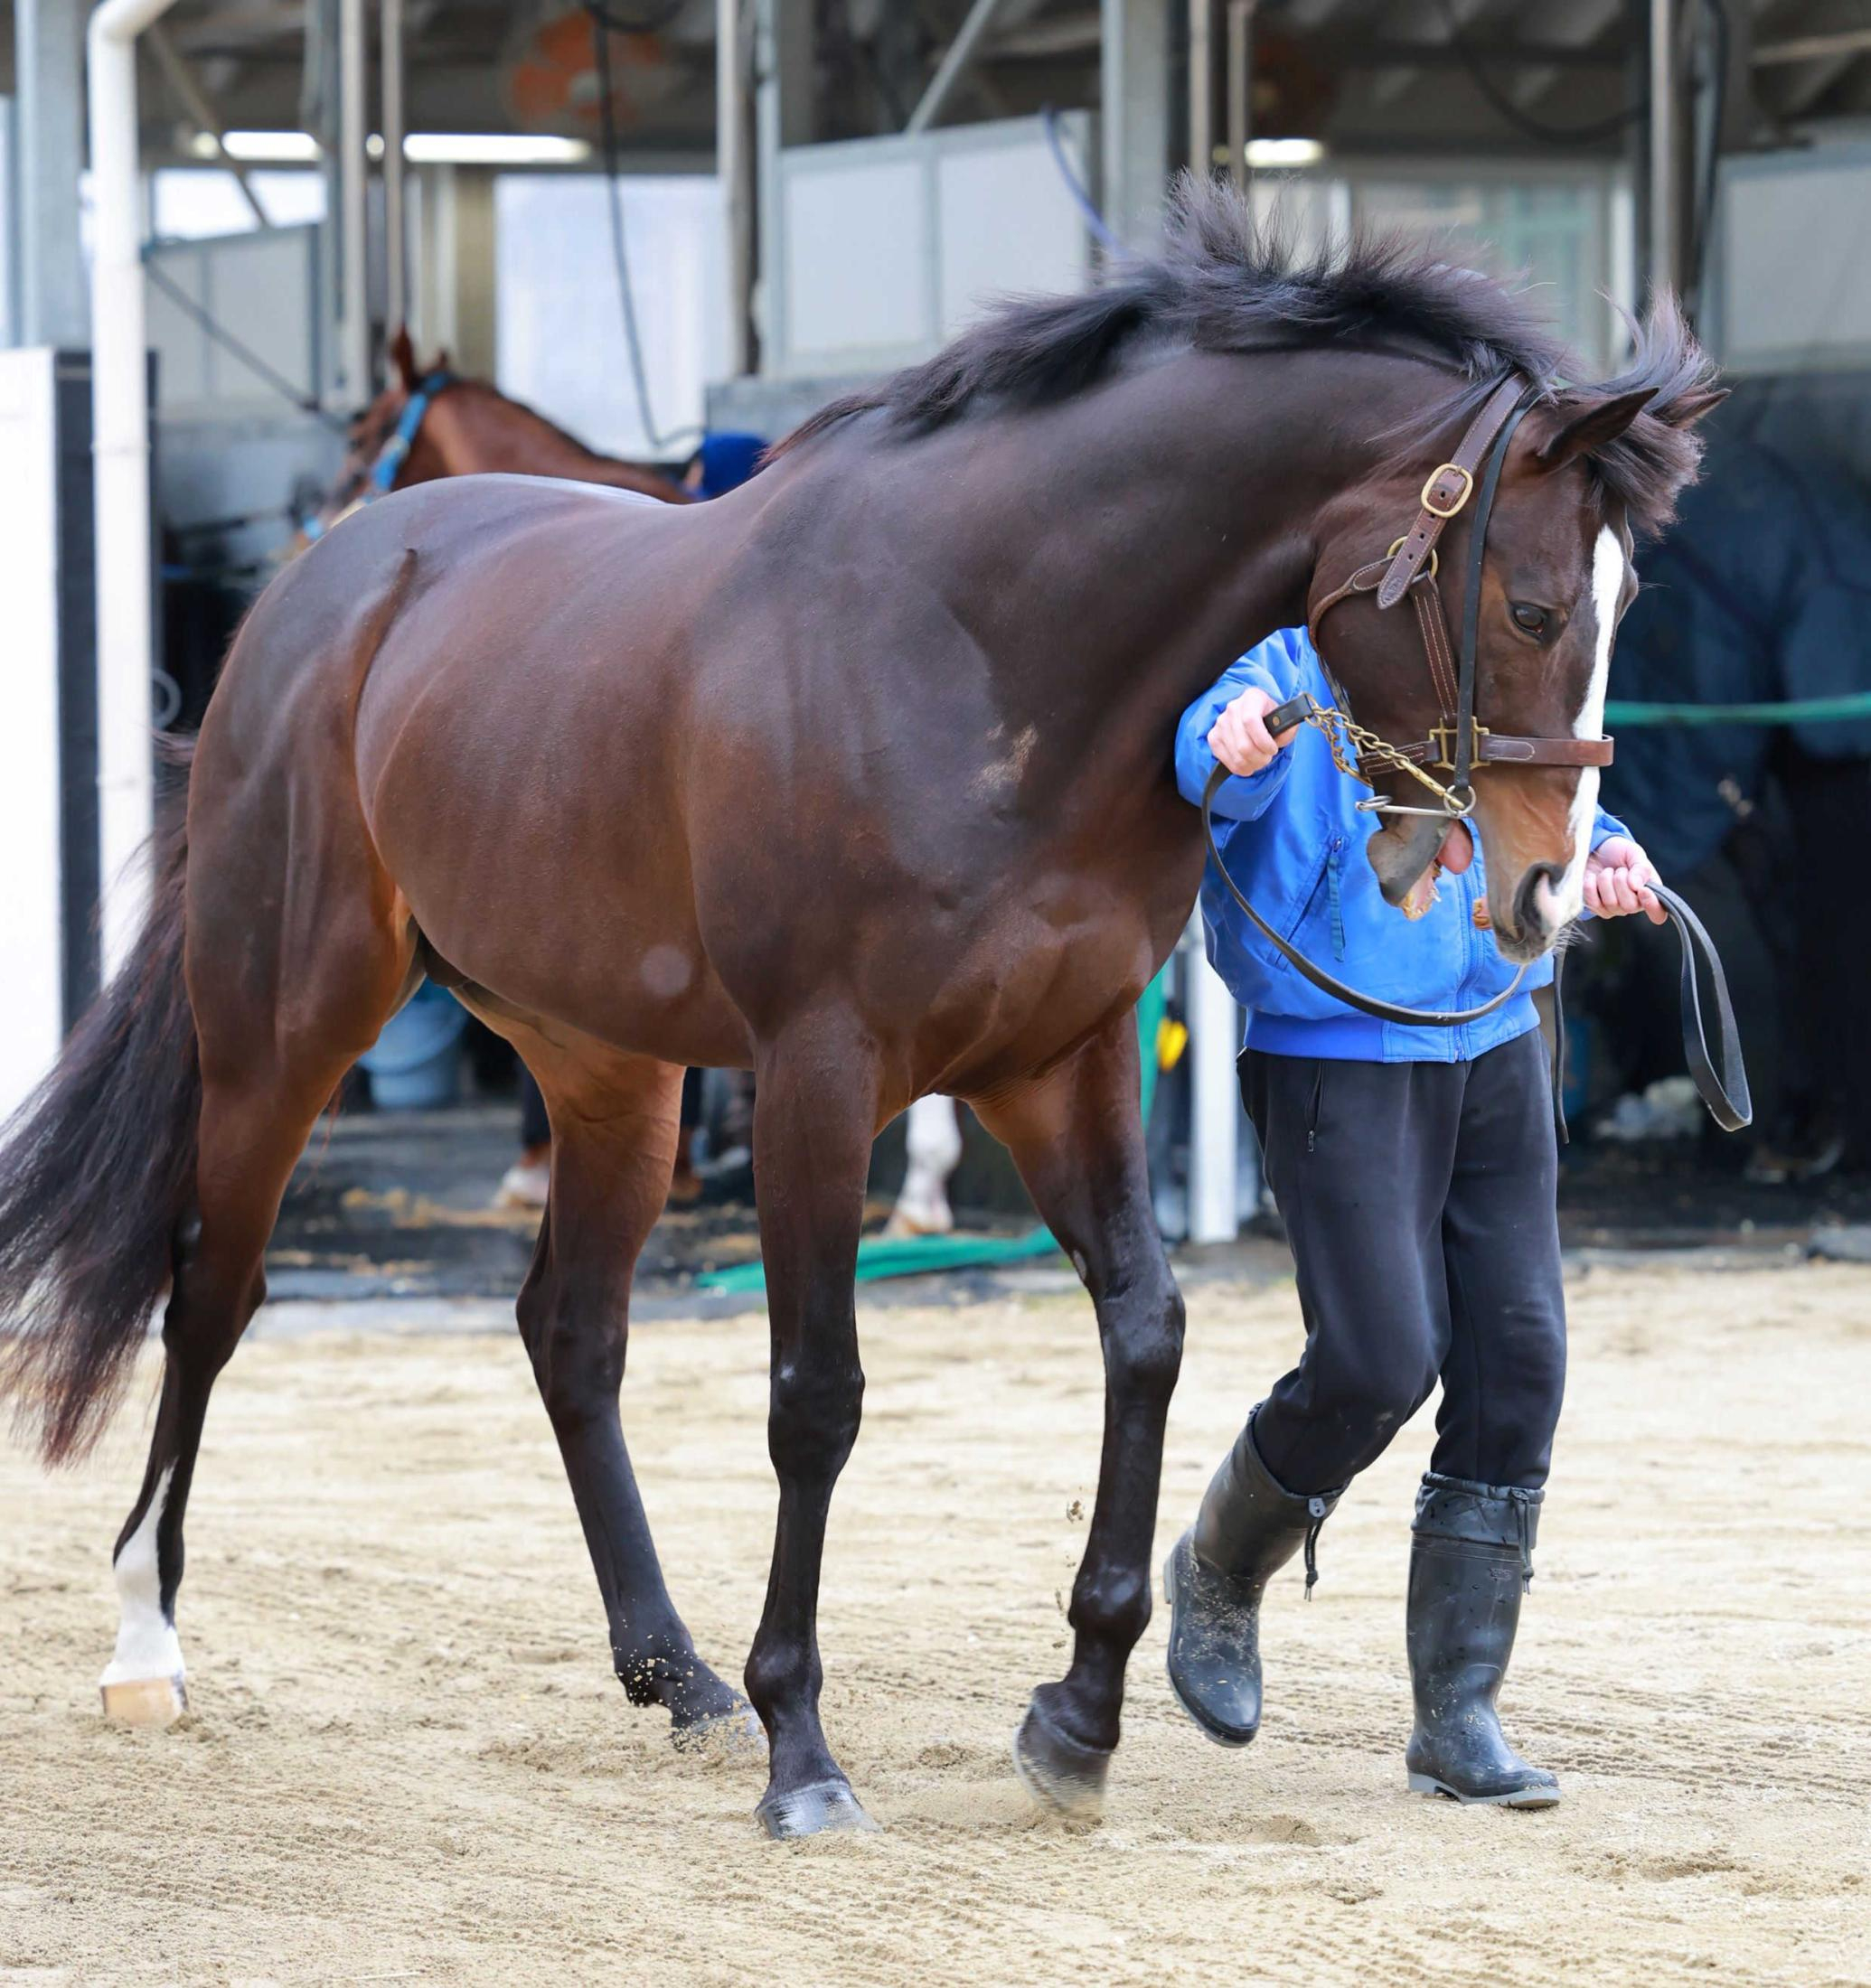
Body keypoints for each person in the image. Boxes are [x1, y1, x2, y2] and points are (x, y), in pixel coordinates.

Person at [1161, 625, 1666, 1809]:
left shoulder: (1483, 629)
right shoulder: (1289, 651)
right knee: (1377, 1360)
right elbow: (1198, 756)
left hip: (1499, 1020)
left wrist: (1604, 848)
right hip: (1336, 1045)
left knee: (1519, 1366)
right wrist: (1229, 749)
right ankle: (1219, 1570)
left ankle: (1457, 1716)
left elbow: (1538, 782)